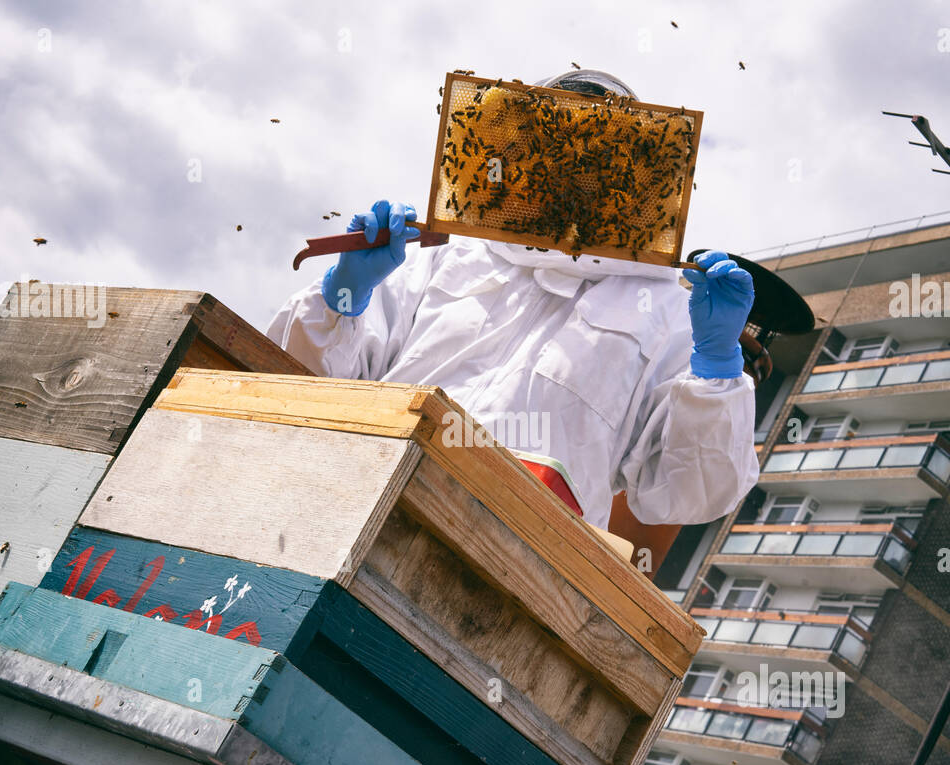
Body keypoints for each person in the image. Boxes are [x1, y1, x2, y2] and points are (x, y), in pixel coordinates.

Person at [267, 70, 759, 532]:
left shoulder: (666, 311)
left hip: (522, 563)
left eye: (594, 155)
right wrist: (343, 295)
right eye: (554, 147)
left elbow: (689, 492)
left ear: (628, 174)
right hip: (358, 495)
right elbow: (297, 385)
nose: (572, 169)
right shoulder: (446, 256)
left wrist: (717, 370)